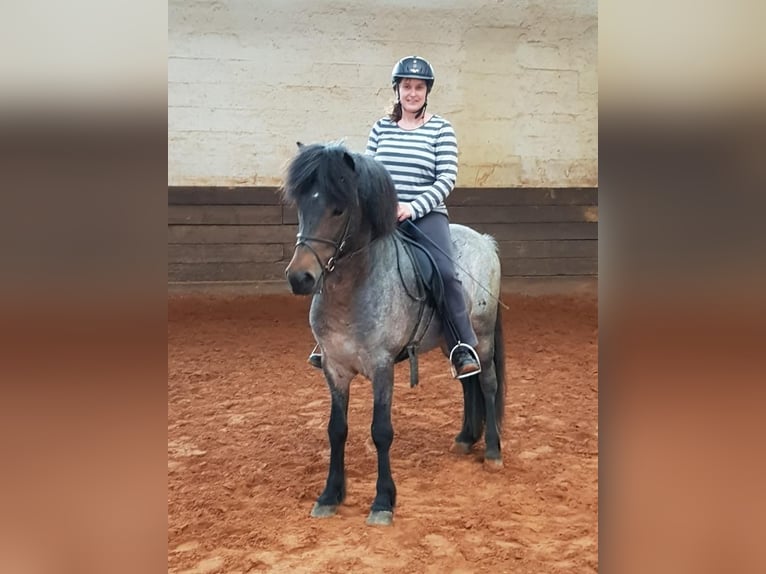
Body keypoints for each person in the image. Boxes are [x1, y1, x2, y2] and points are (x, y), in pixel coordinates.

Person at [308, 56, 481, 379]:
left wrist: (412, 207)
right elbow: (369, 171)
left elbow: (446, 178)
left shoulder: (441, 129)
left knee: (443, 271)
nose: (412, 93)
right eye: (406, 86)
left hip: (425, 215)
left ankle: (462, 345)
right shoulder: (382, 127)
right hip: (381, 215)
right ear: (397, 90)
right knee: (340, 256)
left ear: (426, 91)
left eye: (418, 87)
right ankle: (327, 341)